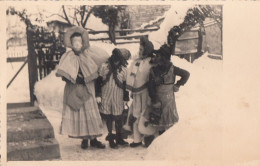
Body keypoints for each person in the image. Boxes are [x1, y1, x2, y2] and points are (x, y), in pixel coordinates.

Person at [56, 26, 109, 149]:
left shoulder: (88, 55)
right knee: (81, 113)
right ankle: (85, 139)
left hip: (88, 87)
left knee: (91, 113)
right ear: (71, 43)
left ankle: (94, 139)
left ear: (83, 43)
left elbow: (95, 71)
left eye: (79, 42)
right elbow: (64, 74)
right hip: (74, 88)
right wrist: (74, 78)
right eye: (75, 43)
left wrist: (88, 79)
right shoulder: (68, 57)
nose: (77, 45)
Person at [147, 44, 190, 136]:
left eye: (158, 56)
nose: (156, 58)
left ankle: (169, 141)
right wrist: (154, 99)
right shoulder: (153, 70)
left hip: (169, 100)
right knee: (159, 121)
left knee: (170, 122)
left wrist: (178, 85)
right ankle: (160, 139)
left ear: (163, 58)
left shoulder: (172, 69)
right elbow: (150, 86)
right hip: (158, 99)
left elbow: (186, 74)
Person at [95, 48, 130, 149]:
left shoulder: (123, 70)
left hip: (117, 97)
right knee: (109, 117)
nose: (116, 61)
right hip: (106, 95)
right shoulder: (104, 67)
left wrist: (125, 97)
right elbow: (98, 81)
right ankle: (111, 137)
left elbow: (125, 84)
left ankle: (119, 138)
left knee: (118, 117)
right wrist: (98, 94)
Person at [125, 36, 155, 147]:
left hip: (146, 93)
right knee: (135, 113)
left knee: (145, 114)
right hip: (137, 94)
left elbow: (148, 76)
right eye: (139, 49)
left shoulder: (150, 63)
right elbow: (131, 75)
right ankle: (136, 139)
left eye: (142, 49)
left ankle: (147, 137)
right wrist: (131, 88)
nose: (139, 51)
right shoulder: (136, 62)